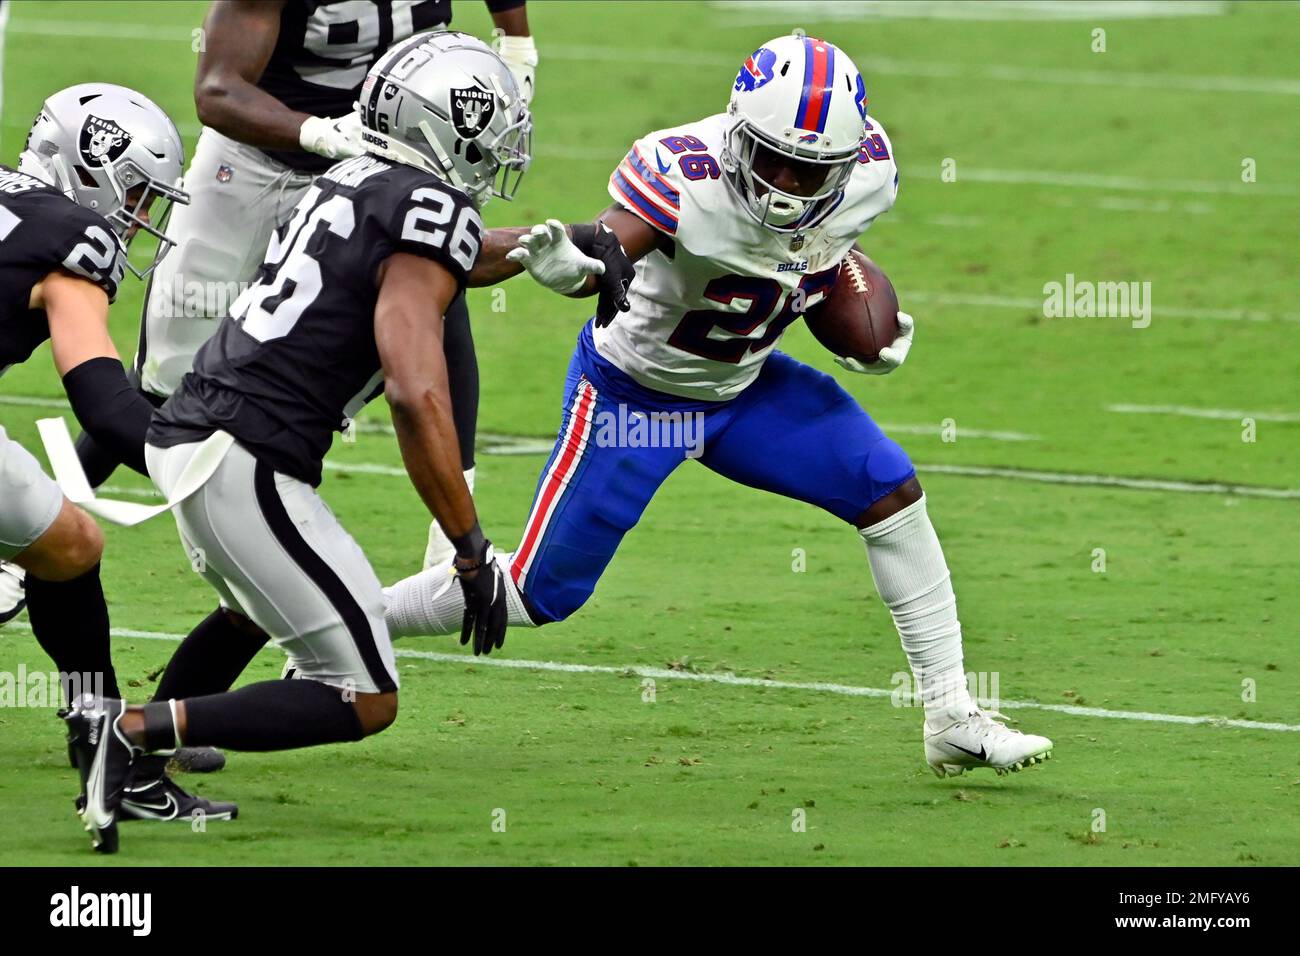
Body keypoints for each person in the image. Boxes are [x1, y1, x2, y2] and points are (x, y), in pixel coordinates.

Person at [384, 32, 1055, 778]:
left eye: (812, 170)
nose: (790, 185)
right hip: (634, 398)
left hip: (746, 385)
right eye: (773, 160)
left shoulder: (869, 173)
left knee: (889, 490)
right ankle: (354, 623)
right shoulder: (682, 171)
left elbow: (818, 260)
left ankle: (951, 714)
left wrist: (863, 328)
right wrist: (577, 264)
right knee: (535, 594)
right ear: (738, 132)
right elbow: (606, 248)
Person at [64, 31, 631, 854]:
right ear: (449, 126)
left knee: (256, 606)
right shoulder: (429, 210)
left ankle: (144, 764)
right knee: (364, 696)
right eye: (495, 123)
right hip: (244, 459)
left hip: (204, 436)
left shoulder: (356, 177)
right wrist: (468, 548)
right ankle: (125, 735)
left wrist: (539, 243)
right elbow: (413, 387)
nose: (508, 142)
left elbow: (427, 258)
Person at [0, 82, 235, 821]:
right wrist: (201, 463)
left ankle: (104, 748)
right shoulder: (73, 239)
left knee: (67, 544)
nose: (138, 218)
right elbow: (103, 402)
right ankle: (112, 757)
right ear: (91, 166)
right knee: (70, 547)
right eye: (136, 194)